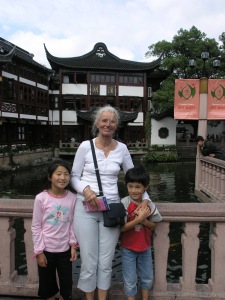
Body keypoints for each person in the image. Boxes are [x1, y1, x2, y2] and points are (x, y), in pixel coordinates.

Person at [70, 105, 150, 300]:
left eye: (112, 121)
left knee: (106, 261)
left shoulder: (121, 149)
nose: (108, 124)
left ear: (117, 125)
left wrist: (146, 200)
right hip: (85, 208)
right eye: (104, 120)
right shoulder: (84, 146)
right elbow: (73, 176)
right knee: (89, 261)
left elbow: (133, 177)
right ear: (97, 123)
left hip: (112, 210)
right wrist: (86, 190)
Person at [31, 159, 78, 300]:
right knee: (47, 287)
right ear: (50, 177)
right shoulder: (41, 198)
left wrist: (73, 245)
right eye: (58, 174)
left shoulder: (73, 198)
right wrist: (39, 251)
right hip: (46, 250)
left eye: (66, 174)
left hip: (64, 250)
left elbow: (72, 224)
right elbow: (36, 226)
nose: (63, 178)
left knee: (66, 286)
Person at [120, 165, 162, 300]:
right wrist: (139, 218)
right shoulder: (124, 203)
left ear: (146, 188)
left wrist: (144, 221)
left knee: (147, 277)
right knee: (130, 279)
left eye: (138, 187)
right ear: (126, 186)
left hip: (145, 247)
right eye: (130, 186)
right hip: (128, 248)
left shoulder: (149, 205)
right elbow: (122, 227)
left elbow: (154, 225)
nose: (134, 190)